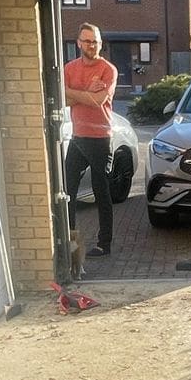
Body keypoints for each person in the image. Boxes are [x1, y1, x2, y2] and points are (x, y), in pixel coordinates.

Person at [62, 23, 118, 258]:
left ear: (100, 43)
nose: (91, 45)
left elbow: (98, 101)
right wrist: (86, 92)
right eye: (87, 41)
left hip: (100, 139)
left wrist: (73, 92)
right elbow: (63, 99)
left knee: (101, 192)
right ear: (79, 43)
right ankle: (69, 243)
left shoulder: (108, 69)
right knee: (67, 192)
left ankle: (104, 244)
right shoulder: (69, 68)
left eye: (95, 41)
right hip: (78, 137)